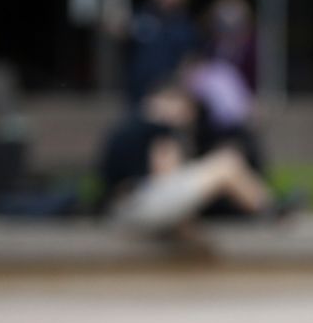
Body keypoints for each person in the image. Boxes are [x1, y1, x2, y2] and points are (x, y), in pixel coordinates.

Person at [97, 76, 276, 238]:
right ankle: (271, 210)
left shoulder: (132, 128)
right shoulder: (158, 130)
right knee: (226, 164)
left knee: (225, 164)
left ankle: (269, 208)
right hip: (137, 208)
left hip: (127, 207)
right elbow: (164, 178)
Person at [119, 0, 200, 105]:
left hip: (166, 87)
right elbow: (118, 30)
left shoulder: (187, 25)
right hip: (136, 84)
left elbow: (190, 58)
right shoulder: (141, 13)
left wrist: (179, 84)